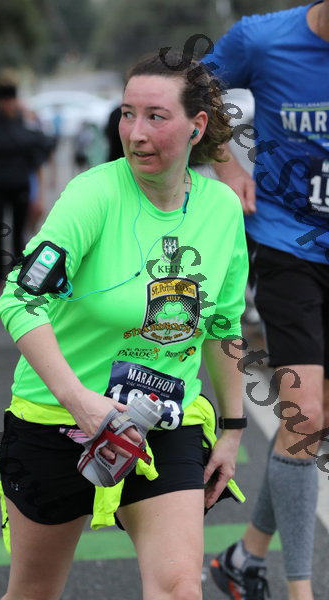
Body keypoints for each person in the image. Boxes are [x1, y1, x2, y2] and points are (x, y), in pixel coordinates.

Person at [0, 52, 249, 600]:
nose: (136, 133)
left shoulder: (222, 209)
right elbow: (20, 299)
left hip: (163, 422)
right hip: (58, 420)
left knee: (180, 588)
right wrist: (80, 401)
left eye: (156, 117)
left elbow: (224, 326)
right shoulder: (93, 195)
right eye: (128, 114)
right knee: (34, 591)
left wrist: (232, 430)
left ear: (196, 126)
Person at [204, 3, 329, 599]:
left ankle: (243, 557)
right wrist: (226, 165)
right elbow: (193, 89)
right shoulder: (262, 39)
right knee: (304, 416)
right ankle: (301, 590)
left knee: (315, 421)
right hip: (286, 244)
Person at [0, 81, 49, 309]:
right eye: (4, 100)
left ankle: (16, 285)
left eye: (11, 99)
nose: (8, 104)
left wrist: (40, 194)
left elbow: (37, 158)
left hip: (20, 185)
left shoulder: (26, 121)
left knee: (18, 237)